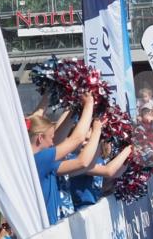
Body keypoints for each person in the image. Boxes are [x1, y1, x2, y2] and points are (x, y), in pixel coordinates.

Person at [27, 93, 101, 225]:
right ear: (39, 138)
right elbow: (77, 140)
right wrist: (89, 105)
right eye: (50, 138)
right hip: (44, 231)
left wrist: (76, 108)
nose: (52, 143)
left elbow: (83, 163)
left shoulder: (41, 161)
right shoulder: (38, 159)